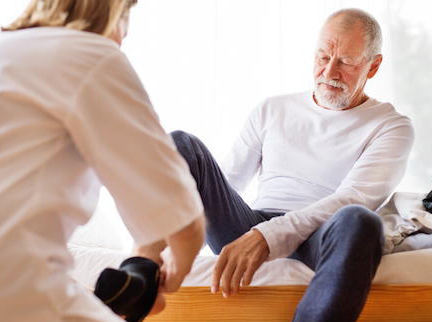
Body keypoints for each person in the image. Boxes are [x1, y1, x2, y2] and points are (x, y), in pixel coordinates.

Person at [0, 0, 205, 321]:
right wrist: (172, 269)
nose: (125, 35)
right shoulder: (90, 54)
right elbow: (184, 224)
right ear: (111, 11)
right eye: (126, 15)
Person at [170, 8, 414, 322]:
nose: (329, 73)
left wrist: (267, 237)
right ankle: (148, 258)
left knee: (362, 221)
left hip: (320, 236)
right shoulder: (272, 109)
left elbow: (353, 198)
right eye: (323, 57)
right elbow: (226, 184)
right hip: (251, 224)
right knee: (182, 145)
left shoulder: (391, 126)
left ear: (373, 66)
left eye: (347, 62)